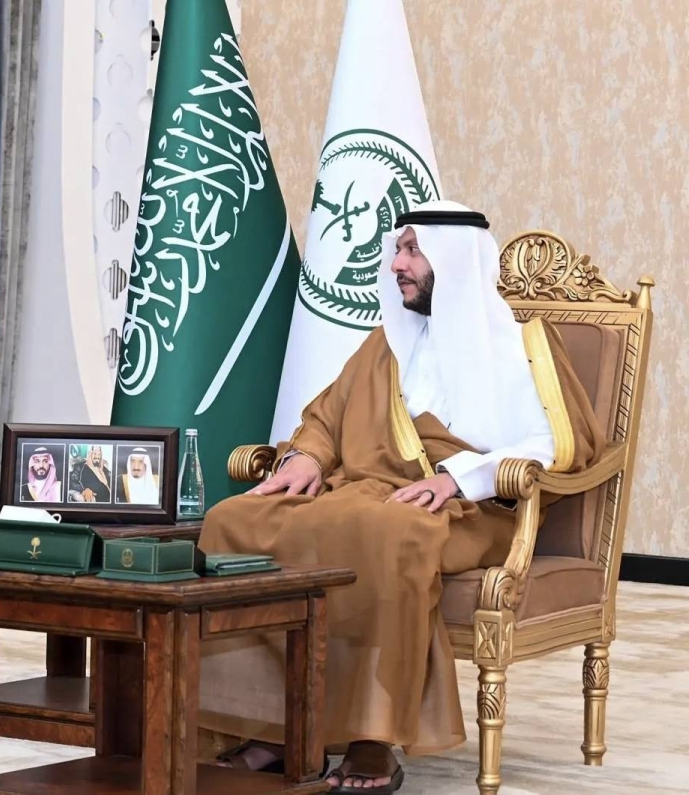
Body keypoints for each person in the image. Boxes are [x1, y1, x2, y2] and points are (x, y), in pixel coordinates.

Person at [198, 201, 605, 793]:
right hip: (366, 492)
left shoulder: (522, 348)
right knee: (233, 520)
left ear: (453, 260)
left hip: (472, 509)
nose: (396, 265)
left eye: (413, 251)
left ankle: (372, 739)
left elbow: (557, 444)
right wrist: (306, 457)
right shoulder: (387, 344)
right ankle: (272, 728)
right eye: (397, 250)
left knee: (388, 534)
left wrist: (458, 477)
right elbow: (328, 416)